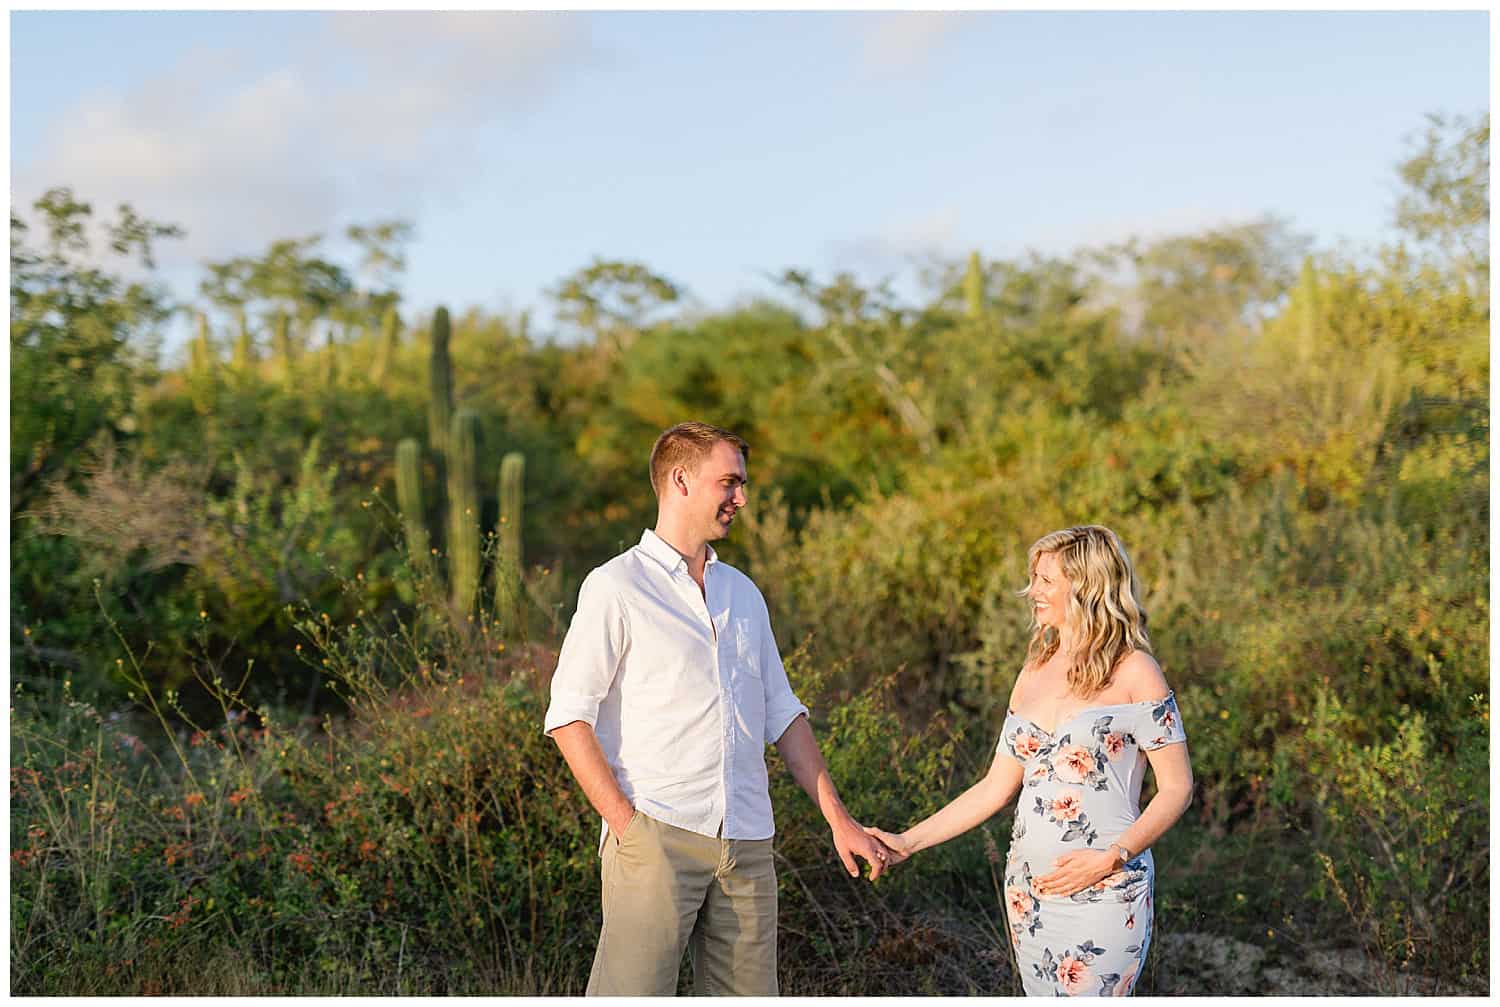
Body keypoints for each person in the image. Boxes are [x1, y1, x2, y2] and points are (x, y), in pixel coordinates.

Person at [544, 421, 891, 996]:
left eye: (742, 484)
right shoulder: (616, 585)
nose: (742, 499)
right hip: (656, 832)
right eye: (729, 483)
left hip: (749, 840)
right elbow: (568, 716)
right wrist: (628, 828)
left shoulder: (742, 593)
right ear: (680, 480)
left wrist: (841, 820)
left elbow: (783, 713)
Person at [866, 525, 1193, 996]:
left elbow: (1178, 788)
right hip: (1029, 891)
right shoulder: (1034, 670)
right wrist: (906, 842)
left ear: (1085, 586)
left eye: (1045, 580)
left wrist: (1111, 858)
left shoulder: (1135, 671)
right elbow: (994, 788)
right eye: (1034, 578)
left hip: (1105, 889)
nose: (1030, 591)